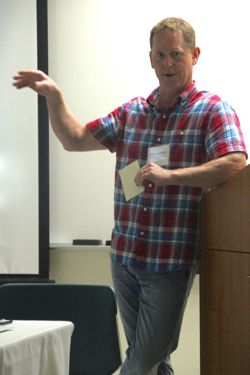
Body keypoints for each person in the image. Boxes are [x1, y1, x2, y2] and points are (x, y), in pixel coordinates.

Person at [13, 17, 247, 375]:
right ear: (150, 58)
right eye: (160, 54)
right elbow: (74, 138)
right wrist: (54, 97)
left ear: (194, 55)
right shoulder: (132, 113)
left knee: (139, 362)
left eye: (176, 54)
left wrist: (170, 176)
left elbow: (234, 162)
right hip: (124, 257)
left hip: (169, 263)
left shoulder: (212, 110)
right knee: (154, 362)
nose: (168, 63)